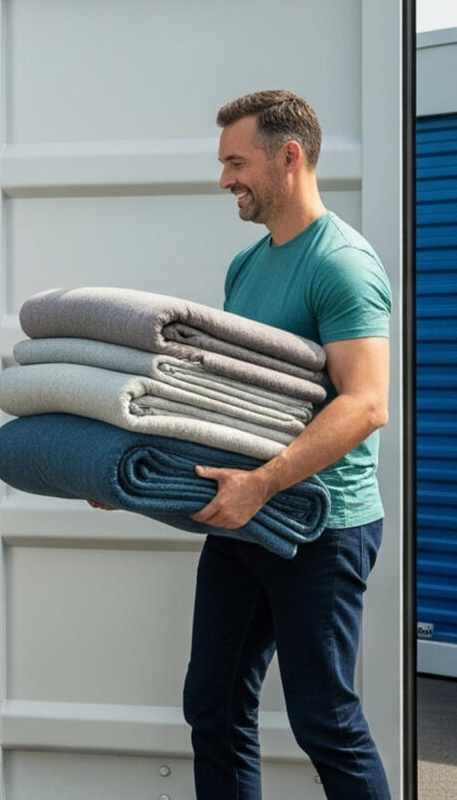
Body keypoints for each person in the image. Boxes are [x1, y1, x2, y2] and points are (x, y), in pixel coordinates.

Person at [182, 90, 392, 798]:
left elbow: (366, 403)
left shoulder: (342, 264)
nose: (225, 180)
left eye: (236, 162)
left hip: (322, 525)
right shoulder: (247, 266)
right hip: (247, 517)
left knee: (325, 720)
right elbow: (229, 400)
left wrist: (265, 483)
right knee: (213, 707)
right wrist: (125, 474)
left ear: (289, 157)